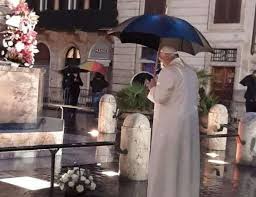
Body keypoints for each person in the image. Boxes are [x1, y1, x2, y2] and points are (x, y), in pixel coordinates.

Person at [146, 46, 200, 197]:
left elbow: (161, 98)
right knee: (184, 163)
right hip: (187, 127)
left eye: (160, 54)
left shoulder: (168, 71)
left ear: (165, 54)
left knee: (167, 163)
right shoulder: (191, 72)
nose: (159, 58)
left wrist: (152, 88)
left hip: (169, 129)